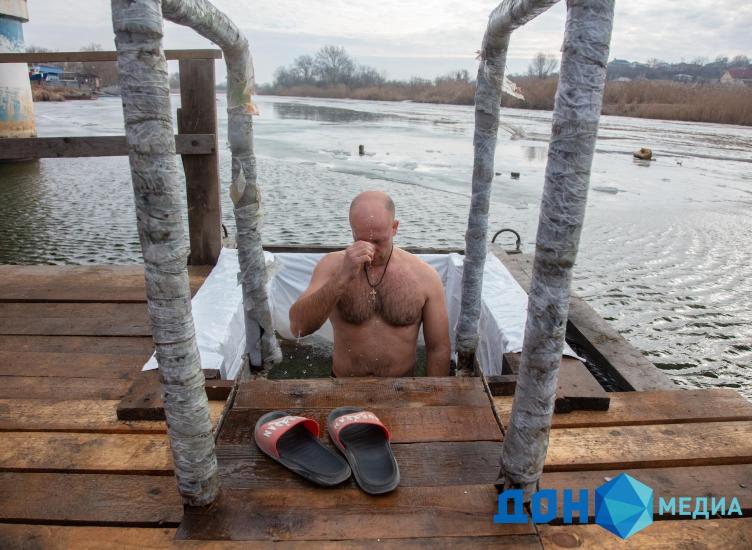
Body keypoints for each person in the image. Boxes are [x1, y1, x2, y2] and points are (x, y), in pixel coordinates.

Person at [289, 190, 451, 377]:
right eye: (362, 240)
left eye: (378, 241)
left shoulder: (424, 276)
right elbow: (298, 327)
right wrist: (342, 278)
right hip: (343, 384)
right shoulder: (332, 266)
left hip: (402, 386)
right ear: (352, 231)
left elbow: (438, 348)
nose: (370, 249)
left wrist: (433, 394)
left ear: (394, 228)